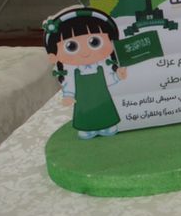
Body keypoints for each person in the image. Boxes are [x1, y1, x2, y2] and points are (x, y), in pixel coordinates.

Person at [45, 7, 126, 139]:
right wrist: (68, 96)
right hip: (84, 104)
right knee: (86, 115)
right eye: (71, 46)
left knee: (105, 112)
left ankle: (107, 126)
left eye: (95, 42)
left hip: (103, 99)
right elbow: (69, 86)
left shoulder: (102, 67)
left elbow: (109, 80)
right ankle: (87, 129)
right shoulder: (72, 73)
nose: (85, 52)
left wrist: (117, 75)